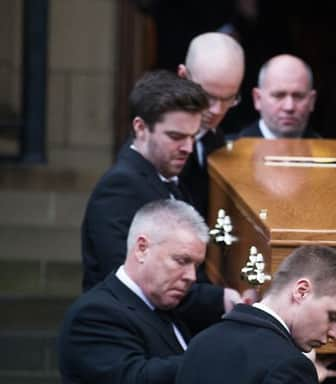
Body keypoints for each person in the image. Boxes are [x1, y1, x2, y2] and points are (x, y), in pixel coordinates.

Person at [81, 71, 243, 321]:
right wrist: (219, 299)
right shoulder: (119, 188)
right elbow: (131, 282)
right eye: (176, 137)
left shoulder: (165, 178)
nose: (188, 148)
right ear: (141, 127)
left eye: (192, 136)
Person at [60, 200, 228, 384]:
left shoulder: (165, 305)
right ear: (142, 248)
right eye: (181, 261)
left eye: (195, 266)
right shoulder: (95, 313)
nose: (191, 276)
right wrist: (217, 356)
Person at [172, 245, 336, 384]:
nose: (335, 333)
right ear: (302, 291)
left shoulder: (202, 341)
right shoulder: (290, 367)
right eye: (333, 316)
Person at [177, 32, 245, 221]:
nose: (217, 110)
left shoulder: (216, 140)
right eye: (207, 96)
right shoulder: (155, 143)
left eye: (228, 98)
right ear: (183, 77)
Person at [233, 54, 320, 139]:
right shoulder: (230, 151)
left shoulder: (329, 152)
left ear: (312, 101)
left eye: (298, 96)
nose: (289, 107)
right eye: (279, 96)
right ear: (258, 99)